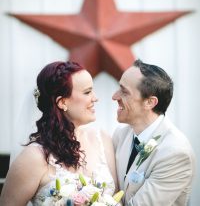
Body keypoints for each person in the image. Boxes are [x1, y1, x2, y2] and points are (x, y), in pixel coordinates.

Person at [0, 61, 118, 205]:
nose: (95, 98)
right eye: (87, 92)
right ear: (62, 102)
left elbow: (117, 198)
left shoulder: (102, 139)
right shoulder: (34, 158)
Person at [112, 59, 195, 206]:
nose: (115, 96)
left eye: (124, 92)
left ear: (149, 102)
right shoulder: (120, 135)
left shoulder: (175, 152)